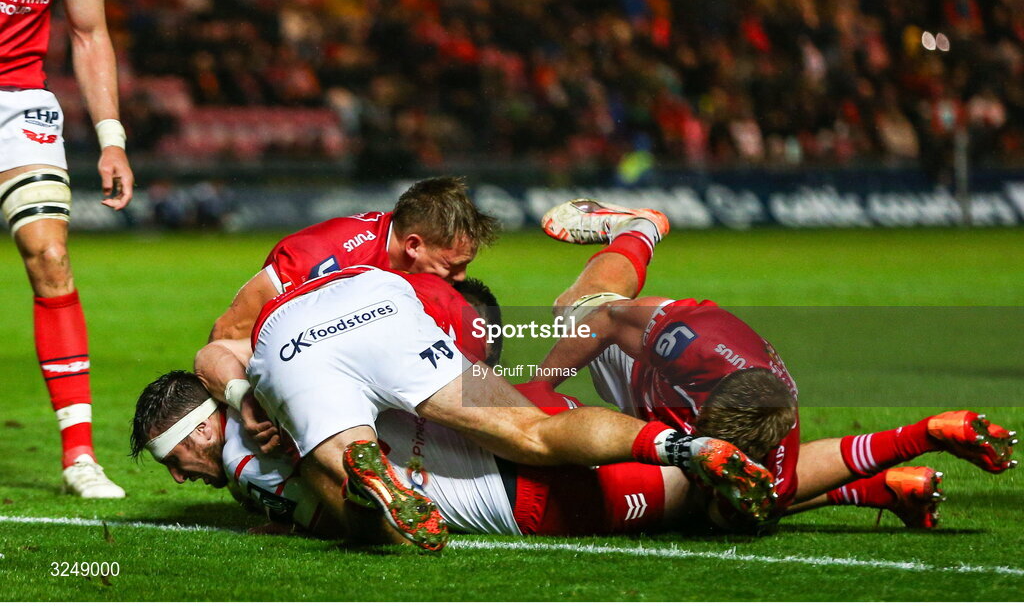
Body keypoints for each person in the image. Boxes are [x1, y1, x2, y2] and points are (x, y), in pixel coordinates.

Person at [187, 263, 779, 550]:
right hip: (378, 304)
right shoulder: (419, 290)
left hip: (292, 337)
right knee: (538, 431)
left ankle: (362, 471)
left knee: (349, 499)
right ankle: (685, 445)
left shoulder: (243, 451)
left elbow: (213, 350)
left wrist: (246, 401)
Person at [534, 199, 1017, 528]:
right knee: (574, 308)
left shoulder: (777, 423)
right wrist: (540, 389)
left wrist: (922, 437)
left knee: (738, 508)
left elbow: (773, 496)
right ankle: (640, 228)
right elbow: (607, 320)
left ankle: (884, 486)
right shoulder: (697, 348)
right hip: (651, 350)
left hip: (675, 406)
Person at [131, 371, 713, 545]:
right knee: (712, 454)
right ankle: (702, 436)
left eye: (174, 454)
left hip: (511, 495)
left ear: (206, 426)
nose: (178, 473)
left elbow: (343, 521)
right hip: (498, 410)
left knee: (718, 502)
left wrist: (292, 523)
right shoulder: (266, 373)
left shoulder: (242, 462)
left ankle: (718, 448)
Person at [1, 0, 134, 497]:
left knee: (50, 255)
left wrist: (111, 137)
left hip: (19, 100)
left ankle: (79, 455)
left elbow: (88, 32)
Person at [209, 176, 498, 341]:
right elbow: (229, 332)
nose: (461, 277)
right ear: (413, 246)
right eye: (453, 265)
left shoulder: (423, 271)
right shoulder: (319, 258)